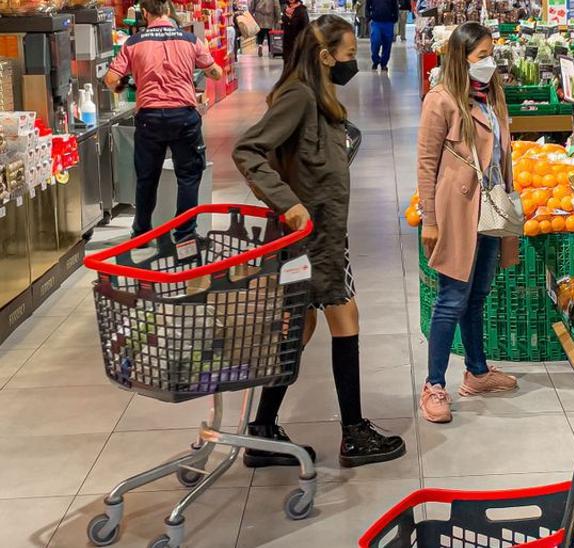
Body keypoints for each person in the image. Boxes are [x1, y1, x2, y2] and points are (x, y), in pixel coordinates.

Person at [233, 14, 407, 469]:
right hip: (309, 235)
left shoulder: (319, 94)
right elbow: (248, 149)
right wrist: (288, 202)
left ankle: (263, 430)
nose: (354, 63)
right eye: (348, 55)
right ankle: (352, 432)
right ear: (325, 56)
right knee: (340, 316)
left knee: (302, 326)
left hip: (326, 232)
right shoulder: (299, 95)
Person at [416, 22, 521, 424]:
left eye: (491, 55)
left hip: (491, 207)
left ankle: (477, 372)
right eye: (482, 57)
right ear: (461, 59)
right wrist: (429, 218)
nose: (489, 63)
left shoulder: (493, 95)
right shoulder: (440, 100)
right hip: (457, 211)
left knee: (477, 296)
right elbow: (426, 164)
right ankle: (434, 385)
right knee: (451, 298)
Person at [104, 0, 223, 243]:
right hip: (184, 116)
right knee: (189, 175)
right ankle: (185, 235)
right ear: (168, 10)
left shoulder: (134, 42)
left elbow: (110, 78)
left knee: (147, 177)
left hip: (149, 118)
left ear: (145, 13)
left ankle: (142, 233)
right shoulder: (190, 39)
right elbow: (215, 72)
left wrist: (123, 84)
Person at [366, 0, 398, 71]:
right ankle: (376, 60)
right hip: (376, 22)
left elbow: (395, 6)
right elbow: (367, 6)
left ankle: (384, 63)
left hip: (388, 22)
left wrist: (395, 18)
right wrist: (368, 16)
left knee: (387, 44)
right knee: (375, 41)